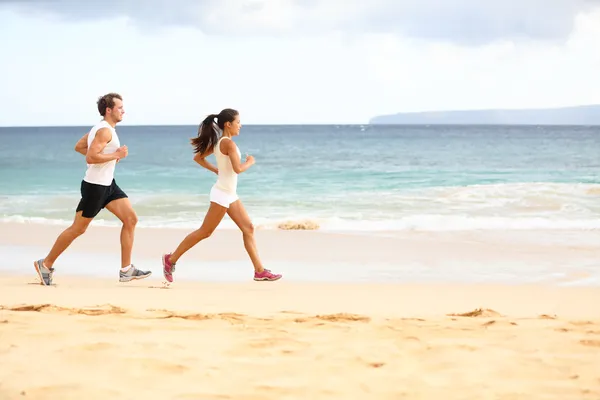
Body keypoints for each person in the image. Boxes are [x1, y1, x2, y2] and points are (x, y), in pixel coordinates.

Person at [33, 93, 152, 285]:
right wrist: (114, 154)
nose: (123, 111)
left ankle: (126, 270)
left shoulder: (102, 128)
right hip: (95, 187)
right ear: (109, 110)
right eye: (119, 108)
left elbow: (80, 147)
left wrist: (108, 155)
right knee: (78, 229)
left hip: (108, 185)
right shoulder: (105, 131)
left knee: (130, 219)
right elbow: (90, 157)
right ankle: (45, 264)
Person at [161, 108, 282, 283]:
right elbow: (238, 169)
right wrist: (249, 162)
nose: (240, 125)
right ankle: (170, 259)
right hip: (222, 194)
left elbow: (198, 158)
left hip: (229, 193)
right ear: (228, 124)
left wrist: (216, 169)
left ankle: (259, 271)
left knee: (248, 228)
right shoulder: (228, 144)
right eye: (238, 122)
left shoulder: (221, 142)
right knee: (205, 232)